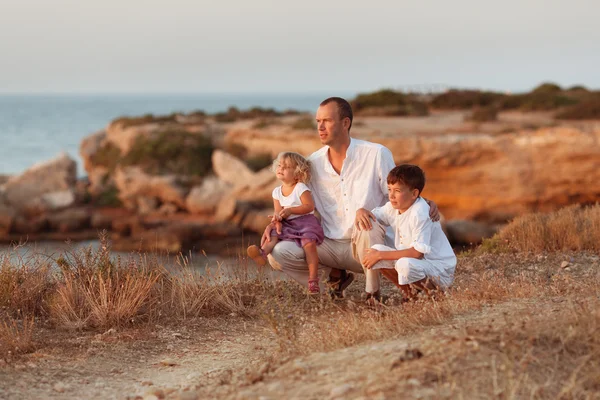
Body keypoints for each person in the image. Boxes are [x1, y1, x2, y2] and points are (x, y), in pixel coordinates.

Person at [262, 97, 439, 297]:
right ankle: (332, 280)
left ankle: (373, 294)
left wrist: (423, 202)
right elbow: (297, 202)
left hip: (369, 247)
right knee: (278, 253)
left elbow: (398, 193)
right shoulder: (313, 163)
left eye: (326, 121)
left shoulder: (376, 154)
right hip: (328, 245)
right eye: (318, 121)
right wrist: (275, 222)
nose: (320, 127)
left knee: (366, 224)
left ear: (345, 123)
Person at [358, 164, 456, 302]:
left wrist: (380, 255)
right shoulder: (393, 207)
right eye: (389, 189)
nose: (391, 196)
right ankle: (411, 294)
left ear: (414, 194)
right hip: (416, 263)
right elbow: (373, 215)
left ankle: (436, 295)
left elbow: (417, 253)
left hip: (438, 268)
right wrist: (360, 211)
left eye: (397, 190)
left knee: (403, 264)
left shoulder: (420, 212)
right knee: (374, 251)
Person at [247, 152, 325, 294]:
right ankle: (263, 253)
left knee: (309, 245)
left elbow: (309, 206)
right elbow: (278, 211)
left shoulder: (300, 188)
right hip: (288, 223)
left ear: (297, 174)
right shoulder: (276, 192)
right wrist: (276, 219)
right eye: (279, 165)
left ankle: (313, 279)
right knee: (273, 233)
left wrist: (290, 210)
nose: (280, 168)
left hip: (305, 223)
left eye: (286, 167)